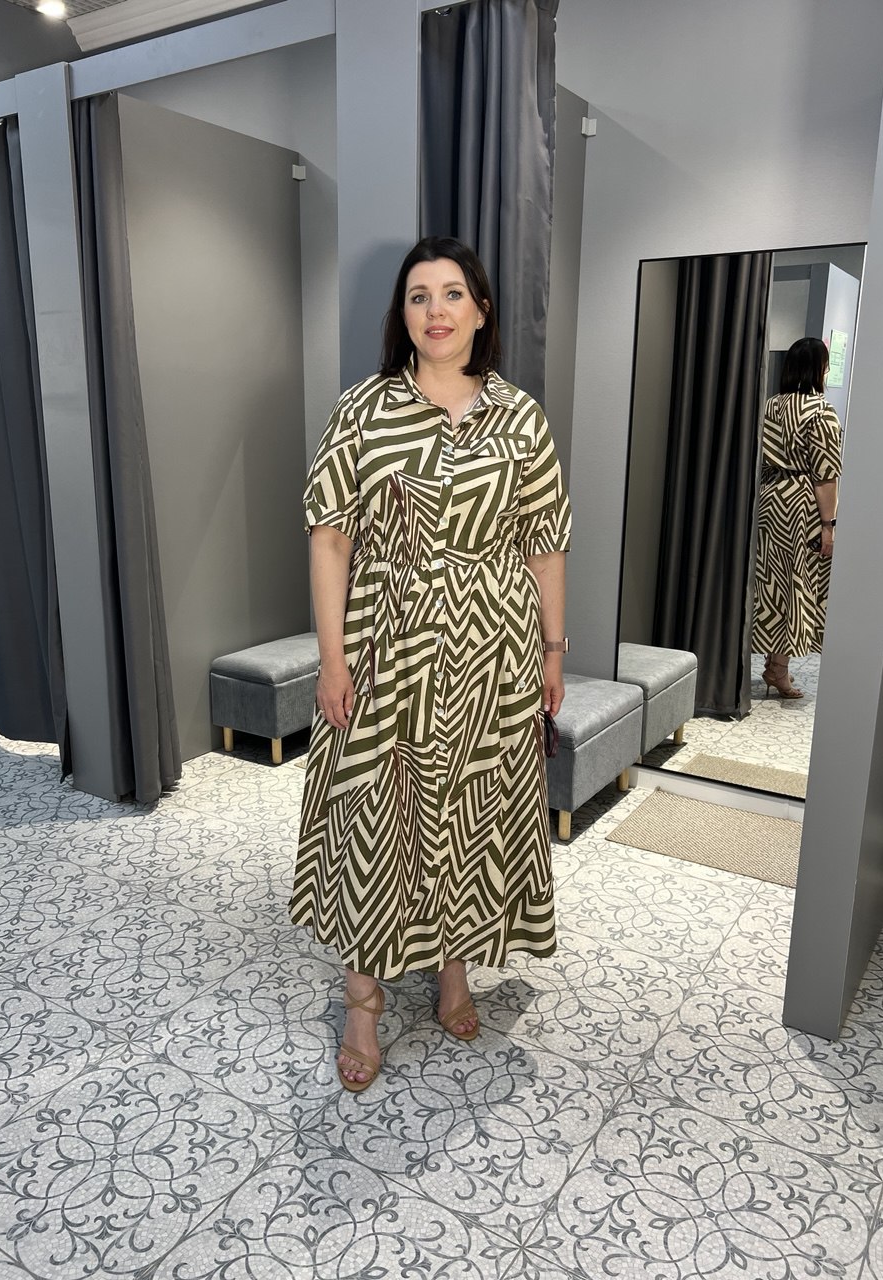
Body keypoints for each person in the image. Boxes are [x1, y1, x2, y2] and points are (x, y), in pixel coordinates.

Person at [290, 236, 572, 1092]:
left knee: (472, 810)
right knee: (377, 814)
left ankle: (454, 966)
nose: (436, 311)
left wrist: (554, 650)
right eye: (419, 296)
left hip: (495, 648)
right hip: (389, 642)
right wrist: (332, 659)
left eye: (453, 294)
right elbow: (329, 539)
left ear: (481, 310)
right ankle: (363, 998)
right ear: (402, 315)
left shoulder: (520, 417)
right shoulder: (362, 410)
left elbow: (545, 544)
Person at [753, 336, 842, 698]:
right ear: (819, 368)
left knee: (769, 582)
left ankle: (773, 665)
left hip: (768, 498)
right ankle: (779, 670)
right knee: (796, 585)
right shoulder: (821, 411)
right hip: (801, 505)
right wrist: (828, 525)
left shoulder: (771, 405)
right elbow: (825, 475)